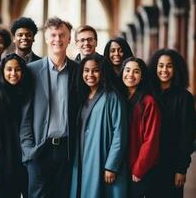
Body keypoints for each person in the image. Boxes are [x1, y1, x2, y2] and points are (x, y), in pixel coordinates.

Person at [20, 17, 78, 198]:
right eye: (53, 35)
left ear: (69, 39)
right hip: (39, 148)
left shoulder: (78, 71)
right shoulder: (31, 70)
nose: (57, 39)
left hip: (67, 150)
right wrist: (29, 149)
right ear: (46, 38)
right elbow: (25, 115)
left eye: (62, 35)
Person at [70, 53, 128, 198]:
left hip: (102, 158)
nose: (90, 74)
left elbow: (120, 133)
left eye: (95, 70)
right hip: (83, 157)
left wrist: (111, 165)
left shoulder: (112, 97)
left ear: (103, 72)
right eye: (86, 70)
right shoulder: (83, 97)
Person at [148, 49, 196, 198]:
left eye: (169, 66)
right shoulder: (149, 93)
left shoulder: (185, 97)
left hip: (172, 164)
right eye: (160, 66)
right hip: (149, 164)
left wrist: (181, 169)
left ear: (176, 69)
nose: (164, 70)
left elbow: (187, 136)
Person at [0, 53, 29, 198]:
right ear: (2, 71)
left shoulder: (27, 95)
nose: (13, 73)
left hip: (25, 161)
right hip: (2, 162)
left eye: (17, 69)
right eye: (9, 69)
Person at [120, 57, 161, 197]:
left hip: (137, 168)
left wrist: (139, 168)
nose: (131, 75)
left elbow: (151, 140)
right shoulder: (118, 98)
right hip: (120, 167)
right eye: (127, 70)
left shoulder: (148, 102)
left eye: (136, 71)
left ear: (142, 77)